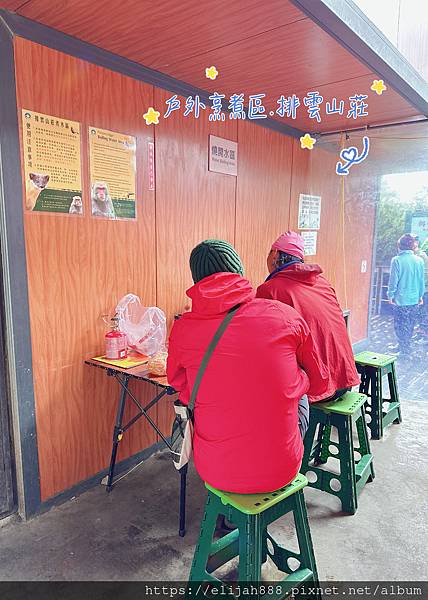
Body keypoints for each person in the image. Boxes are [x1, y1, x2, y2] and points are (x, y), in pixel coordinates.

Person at [166, 239, 328, 494]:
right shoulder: (283, 315)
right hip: (282, 469)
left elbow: (178, 384)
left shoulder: (183, 328)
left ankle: (230, 515)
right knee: (300, 399)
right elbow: (319, 383)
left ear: (196, 280)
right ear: (239, 271)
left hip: (213, 470)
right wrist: (294, 381)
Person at [256, 231, 360, 402]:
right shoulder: (322, 282)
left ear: (275, 254)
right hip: (345, 378)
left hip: (318, 389)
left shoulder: (270, 290)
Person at [387, 233, 425, 355]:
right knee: (409, 324)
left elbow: (393, 281)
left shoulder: (396, 260)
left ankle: (403, 349)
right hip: (414, 298)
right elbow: (421, 280)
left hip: (401, 299)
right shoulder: (419, 260)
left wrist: (390, 295)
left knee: (399, 324)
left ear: (400, 246)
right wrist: (420, 296)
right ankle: (404, 347)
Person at [415, 237, 428, 337]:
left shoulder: (421, 255)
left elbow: (425, 273)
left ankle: (424, 333)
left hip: (424, 289)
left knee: (424, 312)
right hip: (421, 289)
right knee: (421, 311)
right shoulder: (419, 254)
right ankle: (421, 331)